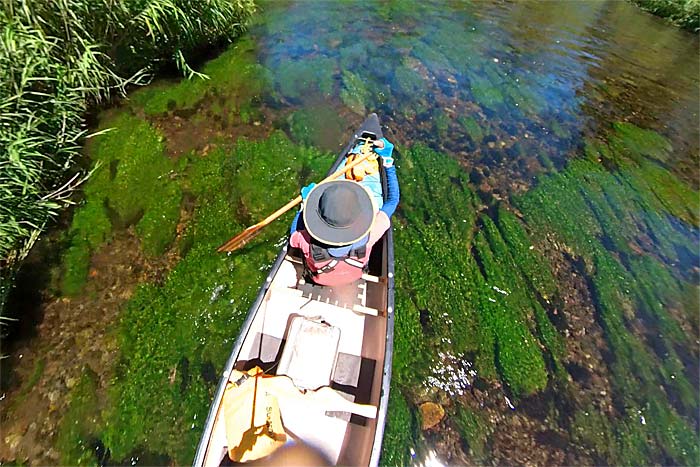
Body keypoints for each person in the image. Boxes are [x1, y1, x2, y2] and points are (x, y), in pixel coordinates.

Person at [289, 138, 399, 286]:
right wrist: (387, 159)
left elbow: (294, 233)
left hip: (318, 277)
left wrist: (304, 204)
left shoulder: (305, 242)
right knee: (377, 202)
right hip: (352, 276)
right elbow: (392, 201)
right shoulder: (370, 235)